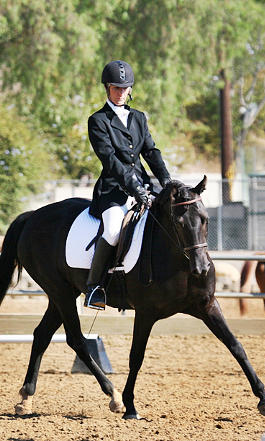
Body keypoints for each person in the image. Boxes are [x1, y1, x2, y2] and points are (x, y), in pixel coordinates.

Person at [83, 60, 171, 310]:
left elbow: (151, 152)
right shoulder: (98, 120)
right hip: (113, 190)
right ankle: (94, 288)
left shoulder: (139, 118)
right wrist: (135, 188)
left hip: (143, 187)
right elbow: (110, 160)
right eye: (116, 88)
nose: (121, 93)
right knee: (112, 230)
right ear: (107, 88)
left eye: (125, 88)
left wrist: (166, 181)